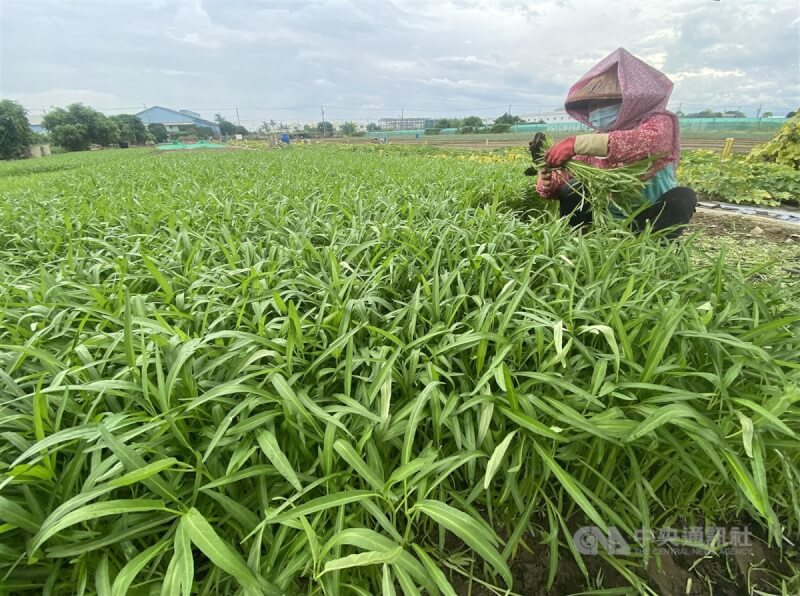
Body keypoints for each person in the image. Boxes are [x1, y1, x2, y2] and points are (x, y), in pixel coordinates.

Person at [536, 48, 696, 237]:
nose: (594, 112)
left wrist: (576, 144)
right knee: (573, 188)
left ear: (628, 101)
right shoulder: (599, 137)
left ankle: (657, 250)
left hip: (650, 217)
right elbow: (569, 174)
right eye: (591, 107)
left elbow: (646, 143)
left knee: (683, 197)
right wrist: (548, 183)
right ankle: (576, 240)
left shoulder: (659, 122)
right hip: (608, 221)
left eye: (601, 104)